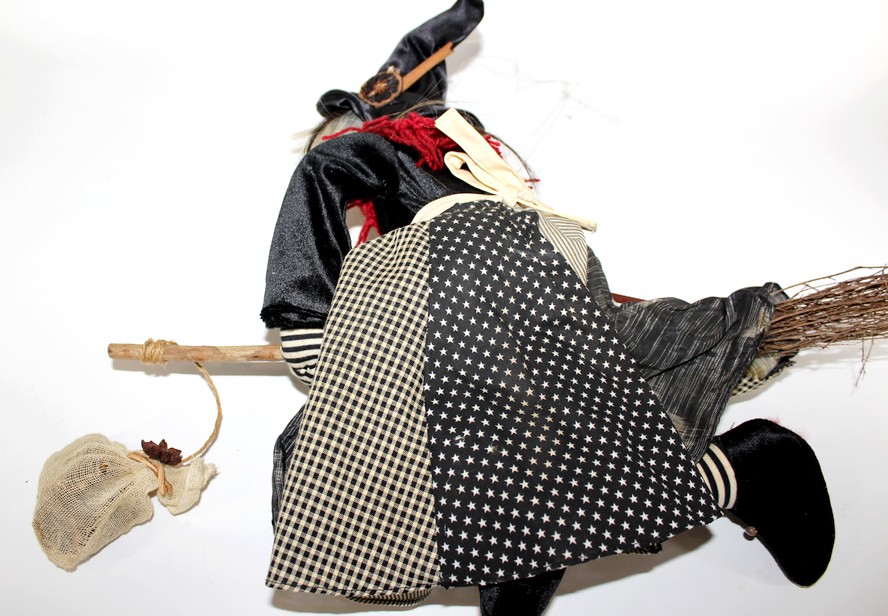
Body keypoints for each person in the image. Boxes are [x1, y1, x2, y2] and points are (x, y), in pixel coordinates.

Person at [261, 1, 834, 613]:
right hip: (543, 256)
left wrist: (306, 319)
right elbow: (424, 59)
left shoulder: (387, 148)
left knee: (353, 468)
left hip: (471, 268)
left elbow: (322, 169)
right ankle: (742, 462)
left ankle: (745, 454)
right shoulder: (455, 161)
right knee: (542, 450)